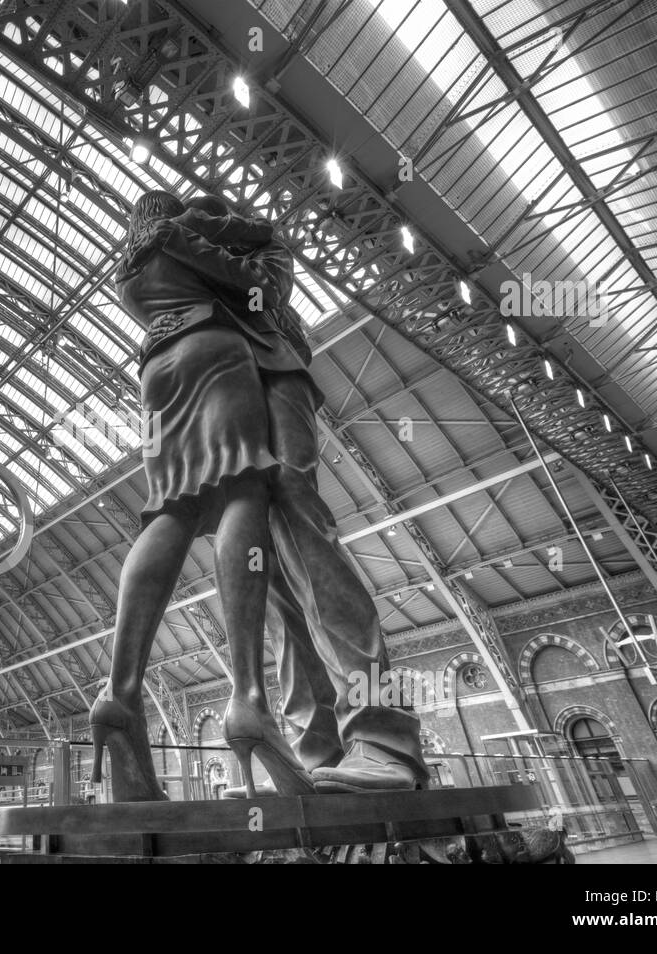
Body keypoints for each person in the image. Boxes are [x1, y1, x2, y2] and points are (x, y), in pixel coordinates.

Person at [159, 195, 427, 794]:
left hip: (277, 378)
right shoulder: (199, 271)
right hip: (223, 387)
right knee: (273, 575)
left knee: (302, 523)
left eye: (213, 220)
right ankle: (317, 751)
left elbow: (260, 286)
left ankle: (385, 740)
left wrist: (186, 230)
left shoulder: (263, 251)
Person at [94, 190, 314, 801]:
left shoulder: (133, 262)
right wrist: (233, 230)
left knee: (171, 507)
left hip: (154, 376)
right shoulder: (185, 238)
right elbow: (255, 289)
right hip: (212, 352)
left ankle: (119, 693)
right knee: (242, 485)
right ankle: (248, 699)